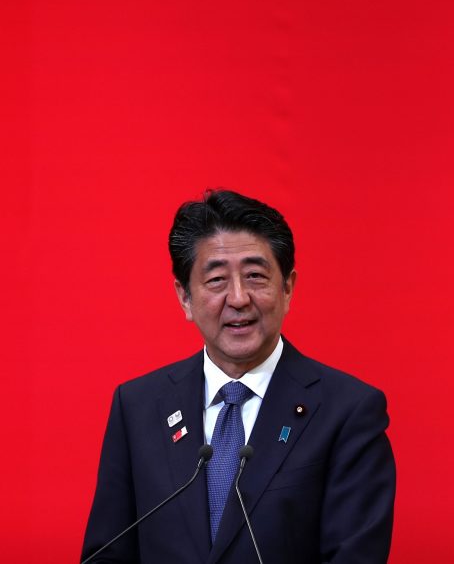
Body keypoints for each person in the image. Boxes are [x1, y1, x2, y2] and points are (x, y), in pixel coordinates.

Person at [81, 190, 396, 563]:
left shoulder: (348, 412)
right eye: (216, 280)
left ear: (288, 288)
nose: (239, 297)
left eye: (255, 276)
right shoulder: (137, 407)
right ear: (185, 296)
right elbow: (106, 554)